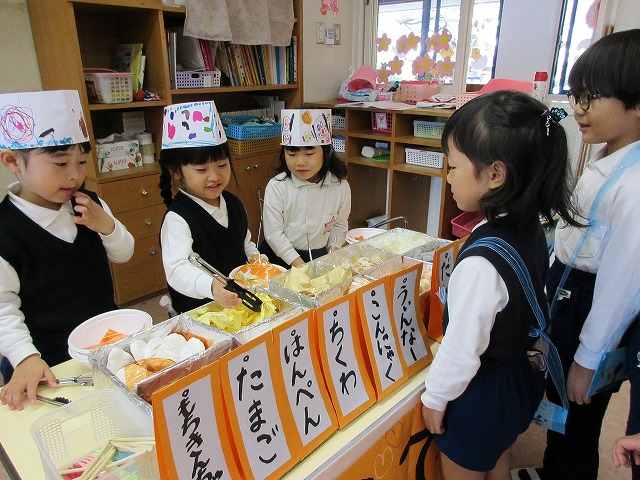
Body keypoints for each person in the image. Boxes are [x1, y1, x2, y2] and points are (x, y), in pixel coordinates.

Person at [421, 90, 579, 480]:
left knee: (466, 464)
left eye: (453, 166)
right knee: (500, 451)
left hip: (482, 392)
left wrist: (435, 398)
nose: (447, 176)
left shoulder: (481, 262)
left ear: (495, 174)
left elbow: (462, 347)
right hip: (518, 377)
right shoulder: (529, 227)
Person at [513, 29, 640, 480]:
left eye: (591, 97)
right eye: (575, 96)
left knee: (578, 413)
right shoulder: (610, 154)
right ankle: (552, 470)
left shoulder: (634, 187)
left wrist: (588, 360)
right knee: (561, 405)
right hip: (570, 293)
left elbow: (621, 289)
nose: (578, 109)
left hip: (590, 308)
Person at [0, 90, 134, 410]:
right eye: (60, 163)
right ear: (13, 161)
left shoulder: (87, 204)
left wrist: (106, 226)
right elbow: (3, 309)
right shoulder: (6, 232)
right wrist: (25, 357)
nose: (74, 175)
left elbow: (124, 253)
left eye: (82, 162)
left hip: (106, 341)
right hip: (50, 360)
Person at [159, 100, 263, 314]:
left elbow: (244, 243)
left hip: (237, 306)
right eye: (201, 169)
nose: (214, 176)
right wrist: (211, 286)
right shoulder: (178, 219)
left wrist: (257, 260)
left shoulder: (234, 204)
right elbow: (177, 269)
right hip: (200, 311)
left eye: (222, 165)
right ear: (176, 172)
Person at [261, 108, 351, 268]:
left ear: (327, 151)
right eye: (292, 154)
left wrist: (332, 253)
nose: (300, 162)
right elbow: (274, 235)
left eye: (309, 154)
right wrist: (302, 268)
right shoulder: (277, 187)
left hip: (319, 256)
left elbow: (339, 225)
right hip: (280, 258)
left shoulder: (340, 187)